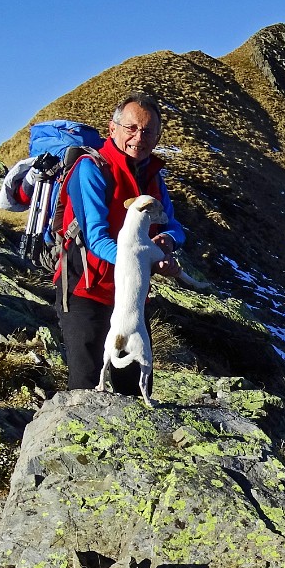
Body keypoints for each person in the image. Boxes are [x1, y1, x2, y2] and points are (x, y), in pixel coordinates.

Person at [55, 92, 185, 394]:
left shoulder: (153, 176)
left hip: (129, 297)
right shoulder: (91, 169)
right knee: (86, 387)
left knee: (137, 388)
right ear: (112, 129)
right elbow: (96, 238)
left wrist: (167, 240)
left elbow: (175, 226)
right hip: (84, 291)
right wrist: (148, 259)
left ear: (157, 136)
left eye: (148, 130)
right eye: (131, 128)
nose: (139, 137)